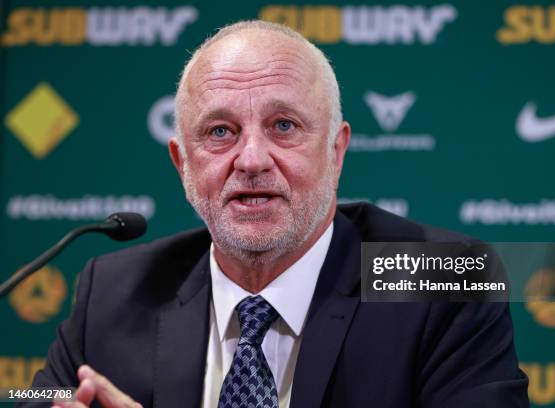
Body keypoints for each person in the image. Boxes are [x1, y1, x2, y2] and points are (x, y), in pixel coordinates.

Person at [24, 20, 528, 408]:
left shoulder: (440, 279)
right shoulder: (115, 290)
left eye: (283, 125)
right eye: (220, 131)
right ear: (182, 163)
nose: (251, 159)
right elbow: (31, 398)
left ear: (336, 150)